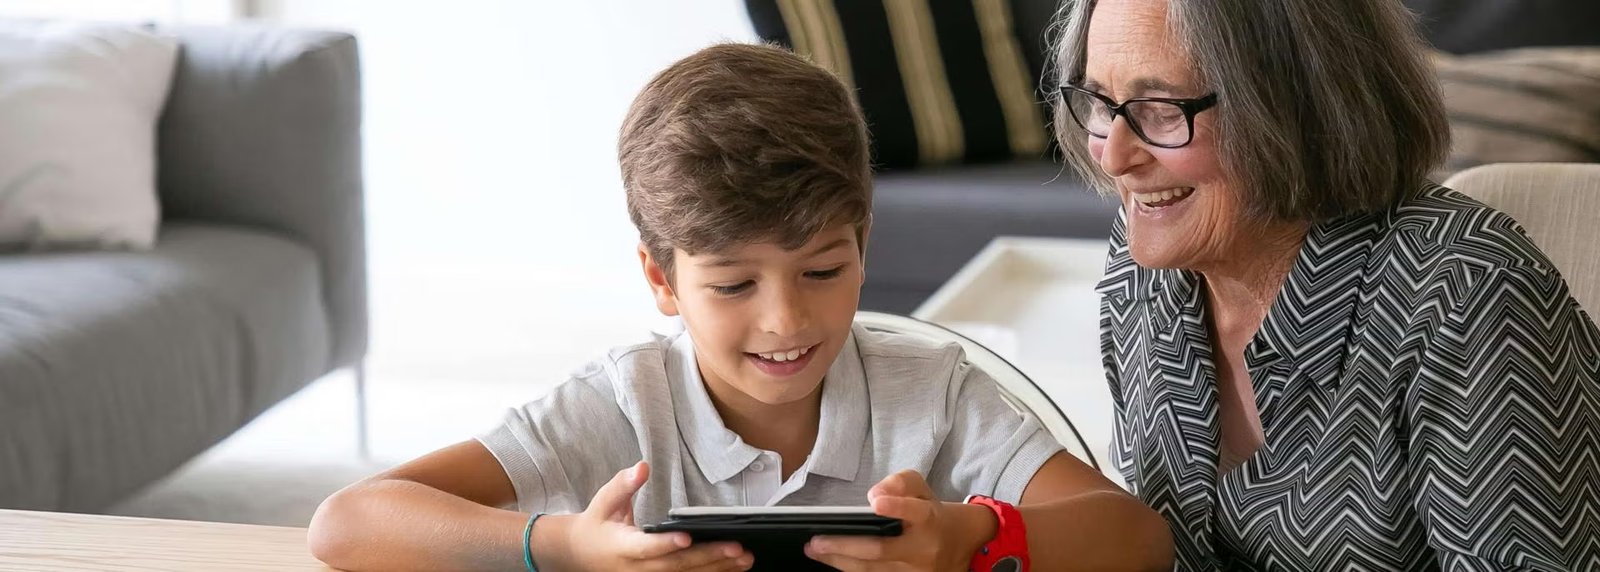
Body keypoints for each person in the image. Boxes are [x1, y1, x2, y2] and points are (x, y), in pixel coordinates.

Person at [307, 42, 1173, 571]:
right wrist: (564, 548)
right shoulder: (623, 401)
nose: (786, 322)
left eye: (823, 271)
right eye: (731, 285)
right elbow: (347, 523)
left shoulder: (933, 391)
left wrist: (964, 539)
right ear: (660, 279)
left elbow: (1134, 539)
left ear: (863, 244)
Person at [1050, 0, 1600, 569]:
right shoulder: (1146, 263)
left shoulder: (1471, 298)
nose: (1113, 155)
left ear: (1293, 105)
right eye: (1100, 103)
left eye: (1160, 108)